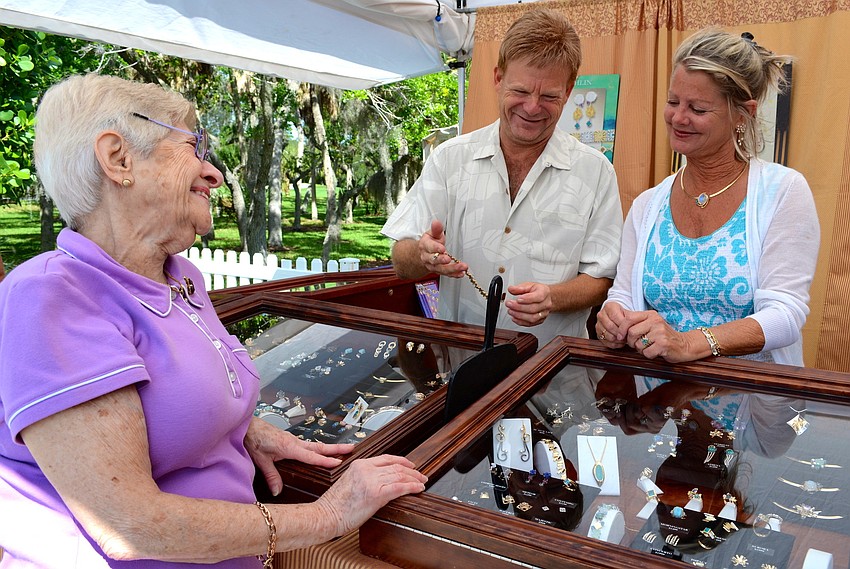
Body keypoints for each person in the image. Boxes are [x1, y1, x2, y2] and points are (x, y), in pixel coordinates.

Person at [0, 74, 426, 568]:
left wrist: (242, 430)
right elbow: (129, 526)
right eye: (193, 147)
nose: (214, 173)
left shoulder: (180, 277)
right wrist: (329, 514)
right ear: (118, 159)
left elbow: (171, 399)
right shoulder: (52, 295)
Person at [381, 8, 623, 346]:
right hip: (462, 372)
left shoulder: (595, 171)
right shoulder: (450, 159)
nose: (533, 107)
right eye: (521, 91)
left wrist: (553, 297)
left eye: (550, 96)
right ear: (498, 78)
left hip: (554, 377)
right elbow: (401, 260)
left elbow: (601, 278)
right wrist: (422, 256)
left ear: (568, 92)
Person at [596, 28, 820, 366]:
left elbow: (785, 315)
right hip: (663, 405)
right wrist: (613, 318)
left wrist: (689, 343)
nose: (678, 118)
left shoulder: (783, 192)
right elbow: (624, 295)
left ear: (743, 114)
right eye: (673, 102)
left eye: (698, 109)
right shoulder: (648, 205)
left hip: (753, 403)